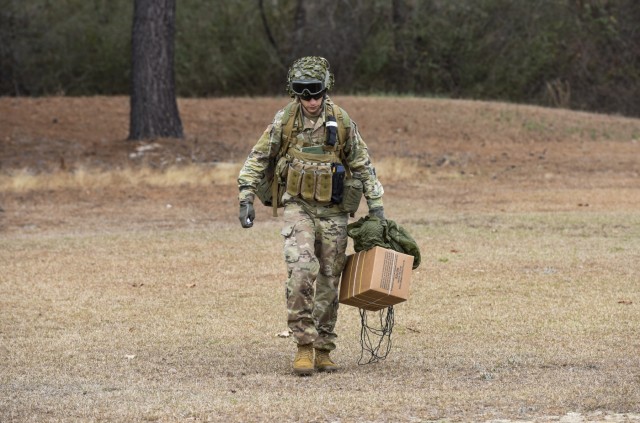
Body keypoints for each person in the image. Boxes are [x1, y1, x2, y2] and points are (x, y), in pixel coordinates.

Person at [237, 56, 385, 375]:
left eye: (316, 91)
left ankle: (323, 347)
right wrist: (245, 195)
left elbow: (361, 161)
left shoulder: (341, 121)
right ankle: (304, 344)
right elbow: (258, 157)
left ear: (326, 89)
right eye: (304, 92)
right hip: (299, 206)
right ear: (295, 93)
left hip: (334, 212)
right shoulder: (286, 120)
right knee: (302, 270)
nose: (312, 100)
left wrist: (376, 205)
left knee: (330, 278)